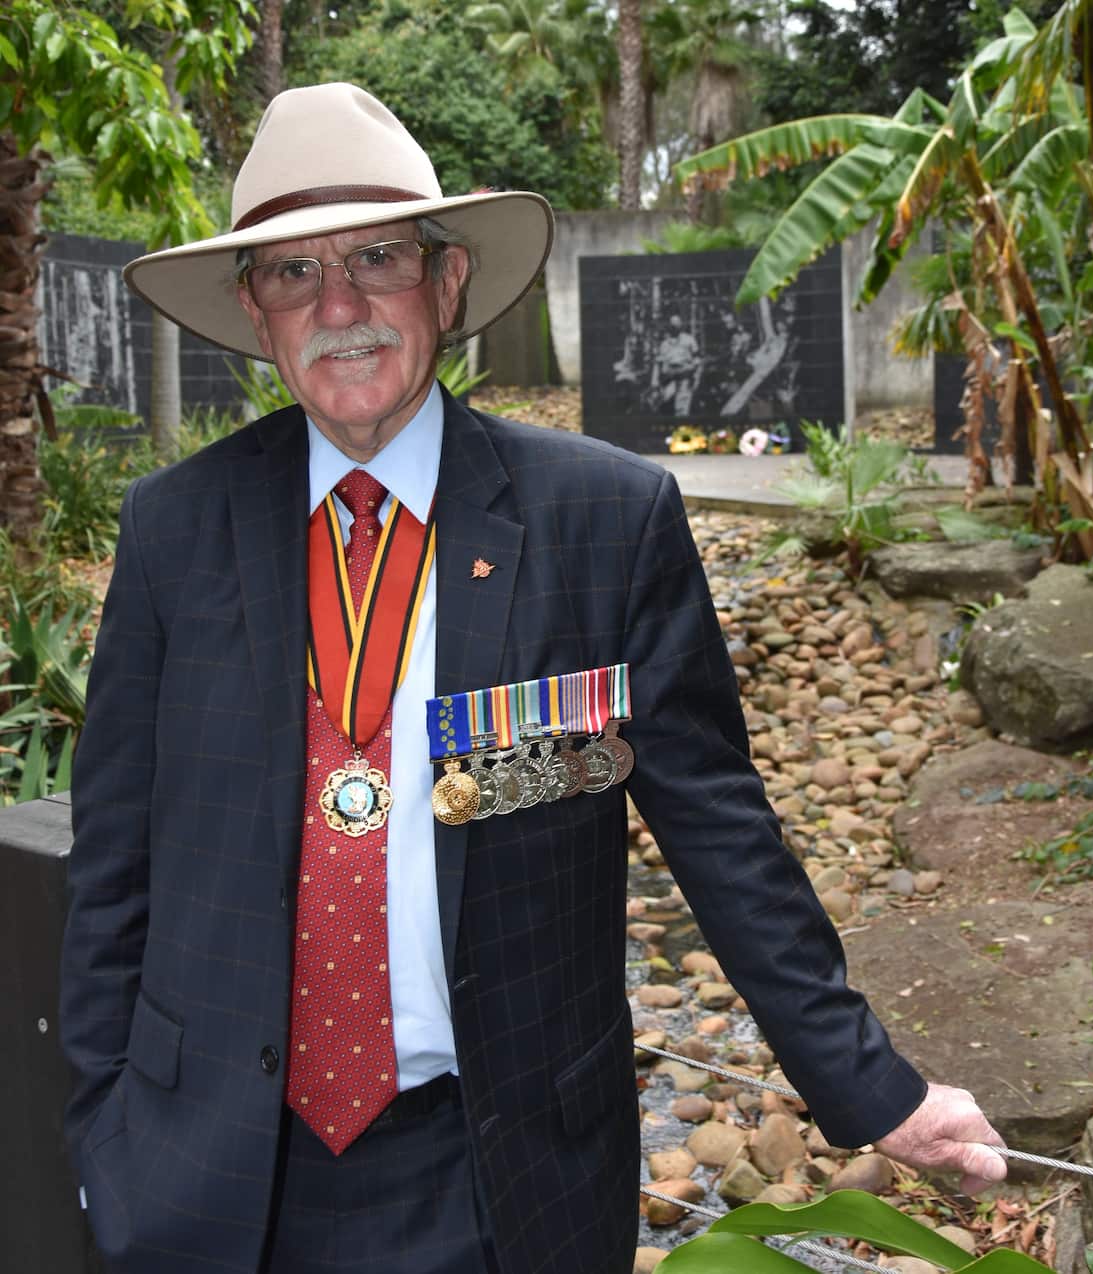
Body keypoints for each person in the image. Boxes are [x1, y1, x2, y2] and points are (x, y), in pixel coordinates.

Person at [60, 83, 1006, 1274]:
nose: (339, 306)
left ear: (447, 282)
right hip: (211, 1177)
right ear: (255, 312)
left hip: (500, 1174)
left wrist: (871, 1086)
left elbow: (717, 828)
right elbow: (114, 867)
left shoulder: (601, 519)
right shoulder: (172, 528)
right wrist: (107, 1133)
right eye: (293, 274)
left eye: (376, 259)